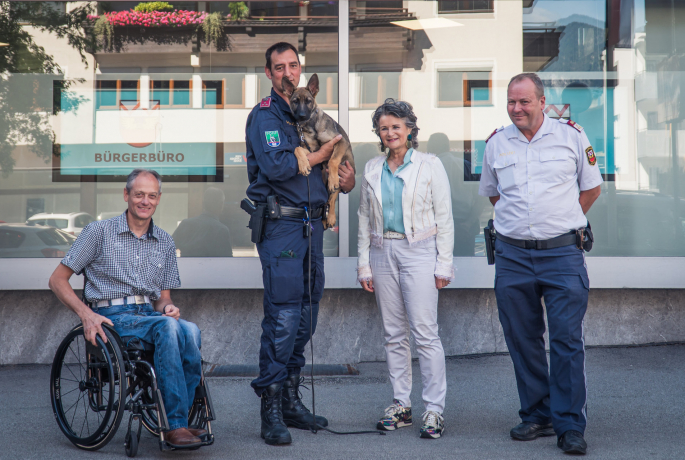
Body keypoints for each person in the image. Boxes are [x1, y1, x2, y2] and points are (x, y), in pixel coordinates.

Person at [478, 73, 602, 455]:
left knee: (566, 339)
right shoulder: (497, 143)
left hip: (563, 253)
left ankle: (569, 425)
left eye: (524, 102)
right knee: (522, 337)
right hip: (513, 256)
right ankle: (538, 414)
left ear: (542, 102)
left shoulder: (571, 136)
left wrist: (561, 223)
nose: (517, 109)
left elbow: (591, 187)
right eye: (511, 102)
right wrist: (523, 229)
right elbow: (494, 195)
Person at [245, 41, 355, 445]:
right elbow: (276, 167)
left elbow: (339, 166)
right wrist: (327, 150)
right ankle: (271, 406)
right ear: (269, 73)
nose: (287, 72)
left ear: (300, 69)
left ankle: (291, 399)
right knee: (284, 316)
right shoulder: (266, 117)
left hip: (313, 225)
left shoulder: (309, 113)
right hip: (282, 228)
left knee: (307, 312)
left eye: (293, 65)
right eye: (279, 67)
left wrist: (346, 179)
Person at [48, 169, 206, 448]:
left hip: (149, 315)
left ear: (159, 199)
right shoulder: (99, 232)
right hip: (111, 317)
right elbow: (57, 280)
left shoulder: (165, 241)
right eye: (139, 194)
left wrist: (169, 307)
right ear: (126, 195)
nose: (145, 201)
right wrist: (87, 315)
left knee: (190, 329)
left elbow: (162, 299)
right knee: (168, 327)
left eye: (152, 195)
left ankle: (181, 417)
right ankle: (175, 424)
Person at [357, 98, 454, 439]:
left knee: (425, 334)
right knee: (393, 335)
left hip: (420, 251)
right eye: (384, 127)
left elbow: (445, 217)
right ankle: (401, 405)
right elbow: (365, 220)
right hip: (383, 252)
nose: (390, 132)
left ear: (410, 129)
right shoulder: (371, 168)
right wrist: (364, 265)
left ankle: (433, 410)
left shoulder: (430, 165)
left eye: (396, 126)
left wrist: (444, 263)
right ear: (379, 133)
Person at [172, 187, 234, 257]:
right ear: (221, 204)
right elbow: (227, 260)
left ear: (203, 203)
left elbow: (167, 249)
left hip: (187, 267)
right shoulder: (222, 230)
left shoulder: (185, 224)